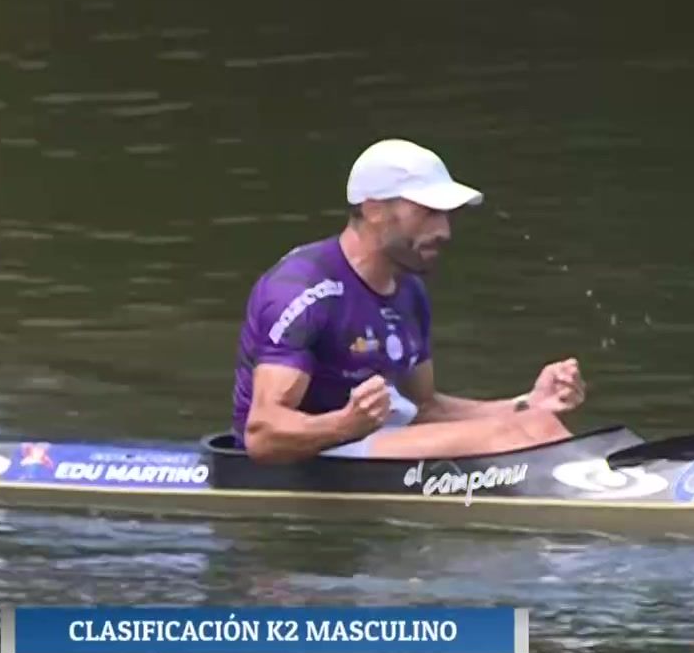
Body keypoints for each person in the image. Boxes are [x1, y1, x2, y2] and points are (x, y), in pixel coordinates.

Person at [232, 138, 586, 462]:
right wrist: (344, 424)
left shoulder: (409, 290)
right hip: (309, 456)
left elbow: (425, 408)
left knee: (539, 423)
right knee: (508, 437)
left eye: (446, 216)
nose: (444, 231)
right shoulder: (302, 290)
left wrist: (526, 403)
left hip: (368, 436)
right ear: (374, 210)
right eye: (428, 212)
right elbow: (262, 436)